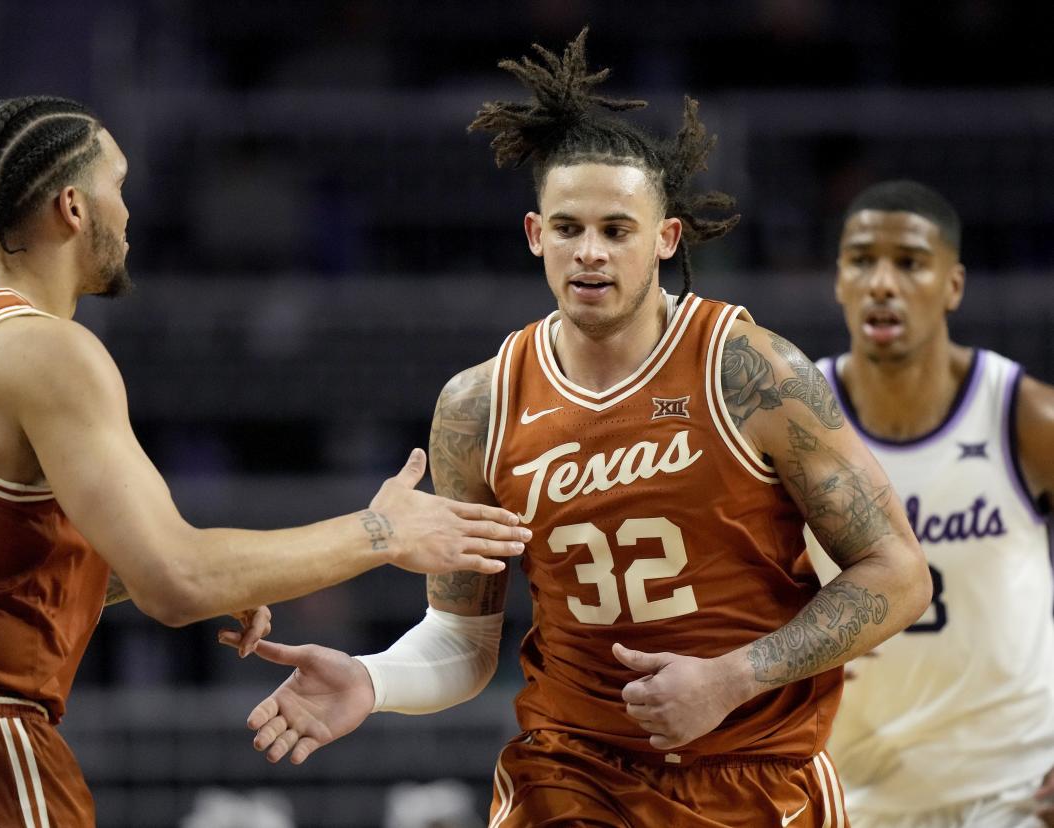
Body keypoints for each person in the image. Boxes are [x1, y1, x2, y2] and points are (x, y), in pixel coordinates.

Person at [222, 30, 930, 827]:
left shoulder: (748, 372)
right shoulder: (479, 405)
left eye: (616, 230)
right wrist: (373, 679)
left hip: (750, 770)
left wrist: (734, 677)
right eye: (568, 228)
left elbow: (898, 573)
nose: (589, 252)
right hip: (570, 771)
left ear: (665, 240)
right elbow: (463, 640)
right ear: (535, 235)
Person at [0, 95, 530, 826]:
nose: (129, 214)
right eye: (117, 187)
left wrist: (214, 576)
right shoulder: (46, 350)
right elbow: (177, 580)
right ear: (72, 207)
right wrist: (383, 532)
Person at [806, 180, 1054, 828]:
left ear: (953, 285)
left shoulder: (1023, 415)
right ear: (838, 281)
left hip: (1014, 792)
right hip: (847, 794)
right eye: (862, 261)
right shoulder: (797, 426)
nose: (882, 283)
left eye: (910, 263)